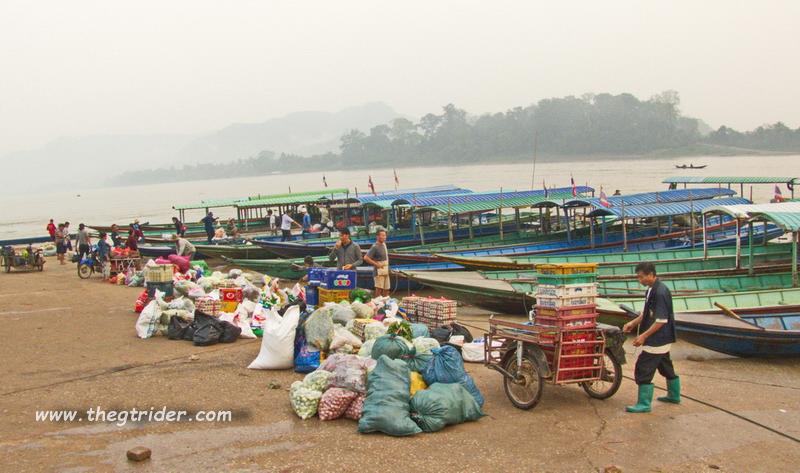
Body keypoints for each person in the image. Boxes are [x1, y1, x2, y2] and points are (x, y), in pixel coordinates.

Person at [623, 262, 680, 413]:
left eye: (641, 277)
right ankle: (674, 395)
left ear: (650, 275)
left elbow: (661, 320)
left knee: (643, 369)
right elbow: (646, 312)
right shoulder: (651, 289)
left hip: (658, 338)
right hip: (663, 338)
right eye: (638, 277)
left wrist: (643, 336)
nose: (639, 280)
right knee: (665, 366)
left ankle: (644, 404)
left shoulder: (660, 292)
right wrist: (633, 323)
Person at [364, 228, 390, 296]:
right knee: (379, 288)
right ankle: (377, 301)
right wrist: (376, 264)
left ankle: (385, 301)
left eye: (385, 235)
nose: (384, 237)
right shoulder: (375, 247)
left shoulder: (384, 244)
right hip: (378, 271)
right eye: (382, 235)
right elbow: (366, 258)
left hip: (385, 269)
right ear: (378, 236)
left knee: (386, 288)